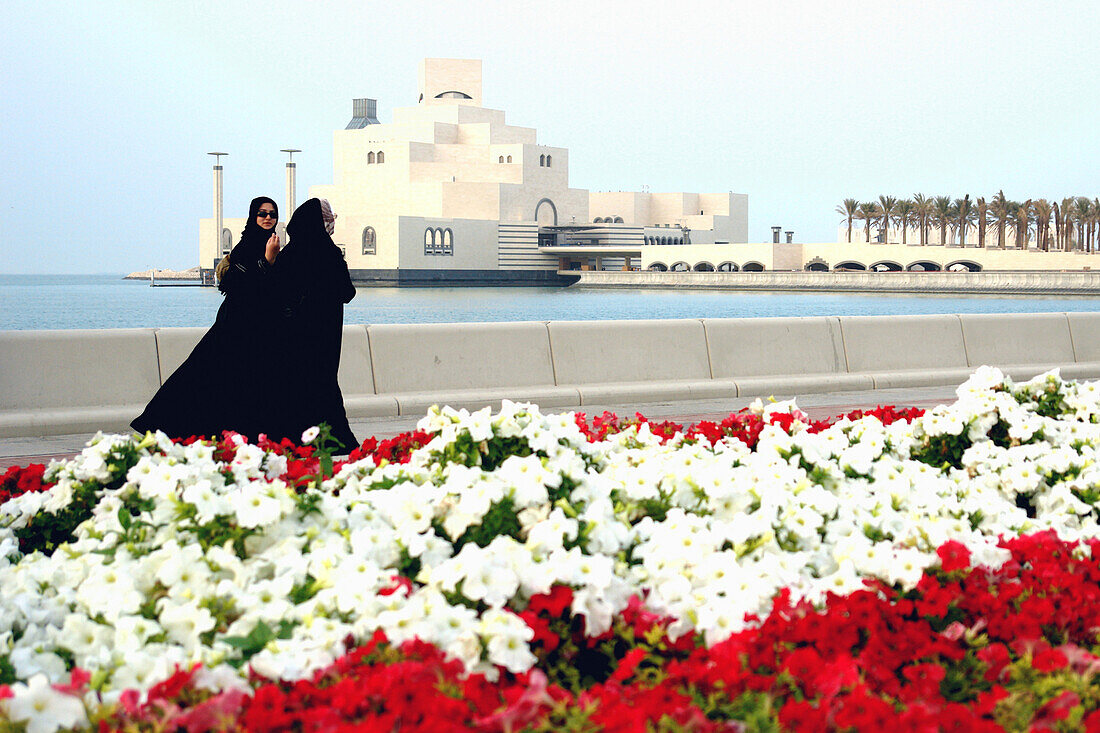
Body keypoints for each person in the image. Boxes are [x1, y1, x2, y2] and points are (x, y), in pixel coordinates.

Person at [132, 196, 284, 440]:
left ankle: (238, 435)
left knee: (243, 384)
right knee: (201, 374)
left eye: (272, 214)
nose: (268, 218)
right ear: (253, 217)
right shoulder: (246, 247)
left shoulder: (273, 246)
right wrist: (266, 261)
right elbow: (237, 286)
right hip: (234, 326)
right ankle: (160, 424)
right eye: (262, 213)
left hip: (260, 329)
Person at [271, 198, 359, 452]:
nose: (331, 223)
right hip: (324, 335)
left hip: (293, 335)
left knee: (295, 386)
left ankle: (294, 441)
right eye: (328, 218)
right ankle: (333, 442)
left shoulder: (289, 254)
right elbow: (347, 292)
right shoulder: (328, 252)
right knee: (324, 385)